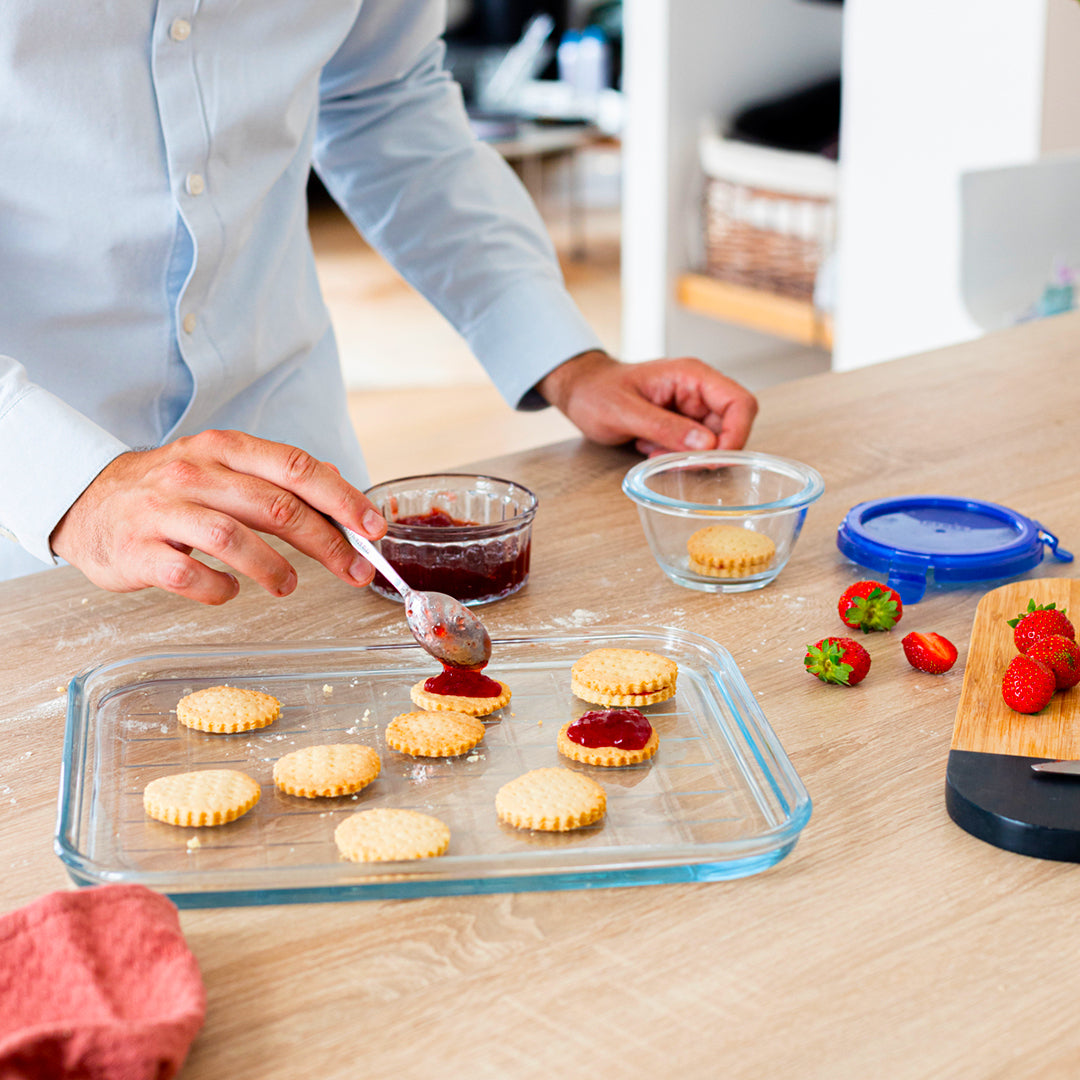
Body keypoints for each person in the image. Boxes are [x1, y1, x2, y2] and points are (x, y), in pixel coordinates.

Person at [0, 1, 757, 605]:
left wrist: (564, 357)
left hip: (294, 479)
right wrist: (67, 484)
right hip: (26, 499)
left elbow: (384, 100)